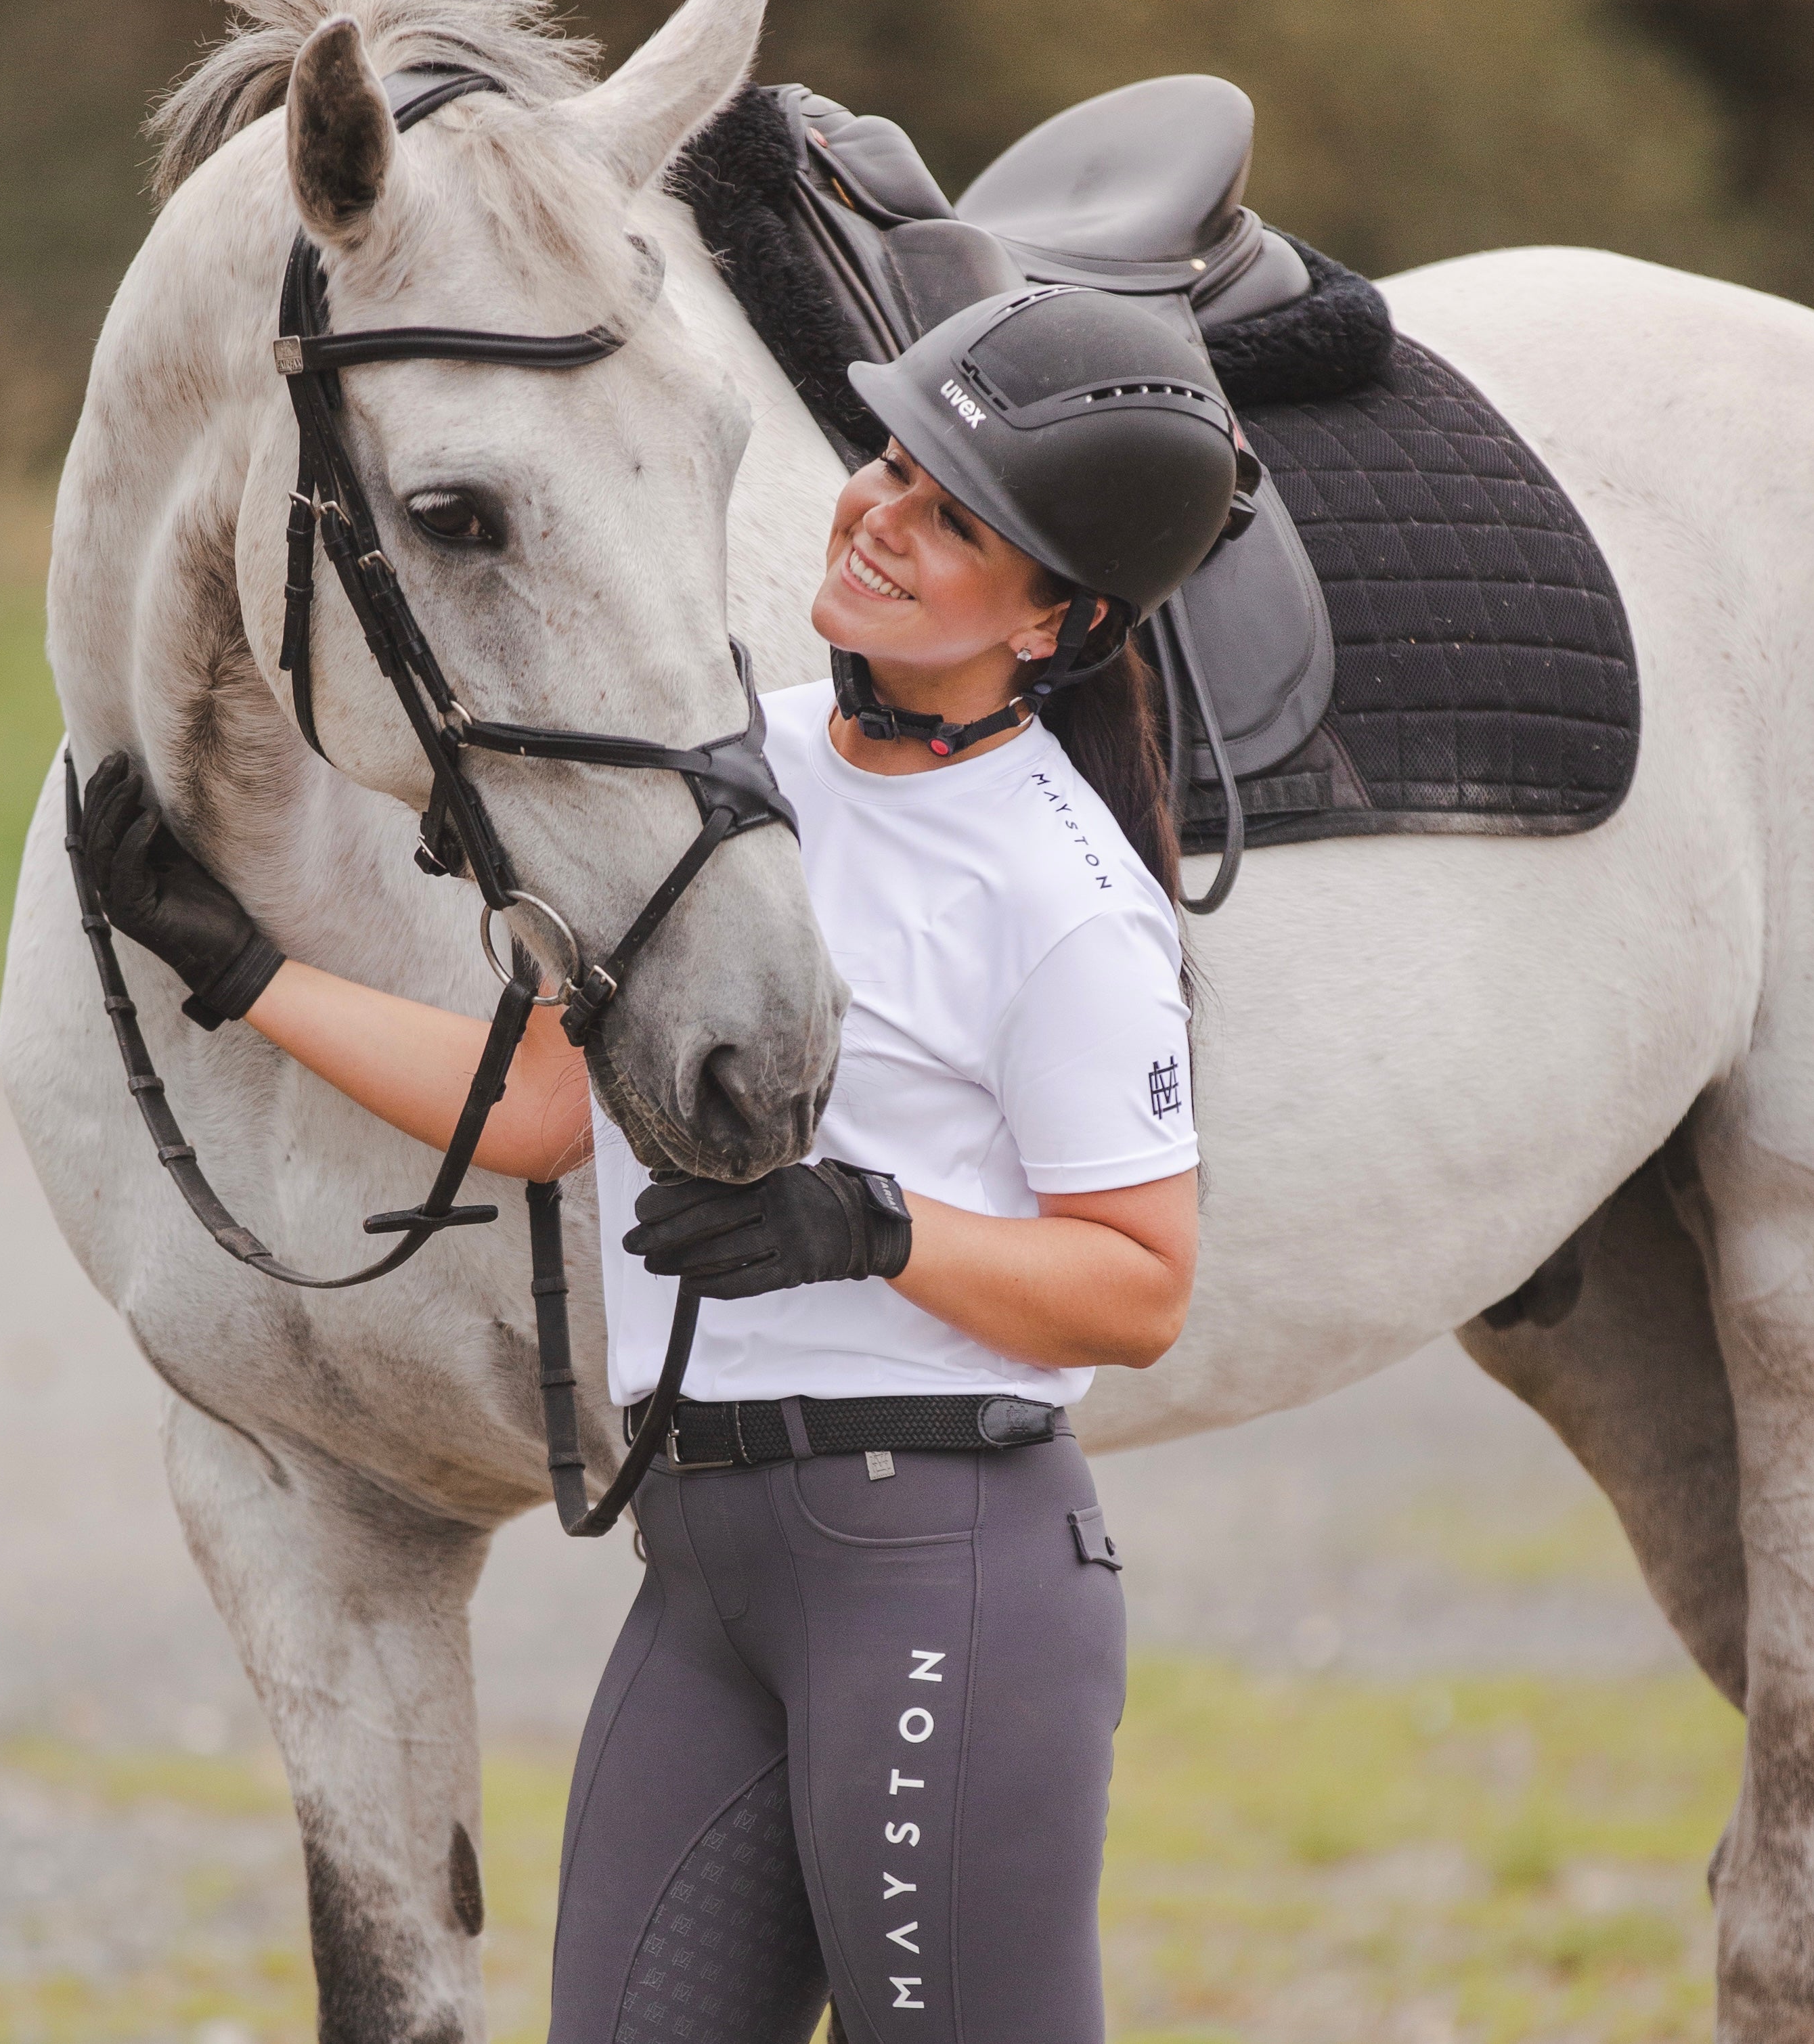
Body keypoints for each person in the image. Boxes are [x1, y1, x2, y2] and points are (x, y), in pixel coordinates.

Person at [79, 284, 1254, 2044]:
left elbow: (1141, 1282)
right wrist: (247, 979)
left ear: (1053, 619)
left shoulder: (1063, 894)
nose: (879, 513)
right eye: (889, 463)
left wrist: (860, 1225)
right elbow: (544, 1104)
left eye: (954, 520)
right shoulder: (725, 773)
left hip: (940, 1560)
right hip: (704, 1563)